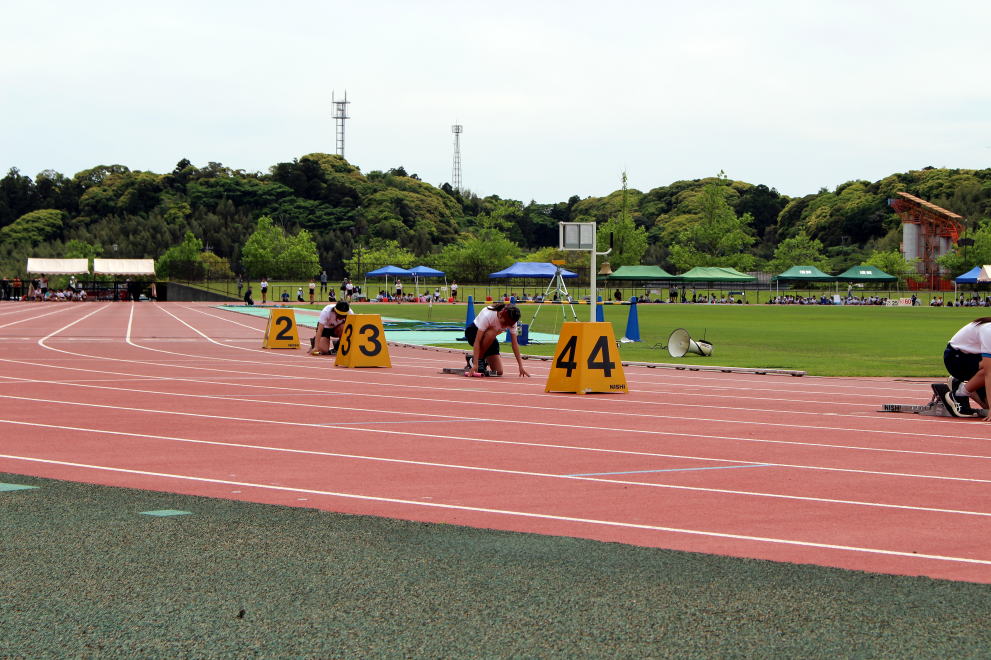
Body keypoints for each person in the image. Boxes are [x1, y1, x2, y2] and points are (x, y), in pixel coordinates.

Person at [939, 317, 991, 419]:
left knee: (987, 406)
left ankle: (963, 385)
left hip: (975, 359)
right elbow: (989, 372)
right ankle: (959, 394)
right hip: (956, 360)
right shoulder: (988, 330)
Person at [464, 302, 530, 378]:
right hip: (473, 333)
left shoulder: (512, 321)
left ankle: (473, 359)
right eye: (505, 323)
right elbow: (477, 341)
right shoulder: (488, 315)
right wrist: (476, 364)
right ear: (501, 314)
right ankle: (478, 359)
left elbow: (515, 344)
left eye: (509, 324)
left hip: (489, 338)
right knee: (493, 332)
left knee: (498, 371)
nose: (506, 326)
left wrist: (520, 366)